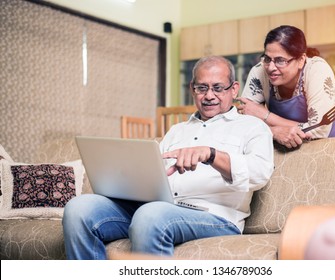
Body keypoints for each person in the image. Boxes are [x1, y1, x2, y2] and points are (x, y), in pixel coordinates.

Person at [62, 55, 274, 259]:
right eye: (202, 88)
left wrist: (211, 154)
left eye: (218, 88)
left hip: (216, 215)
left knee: (151, 215)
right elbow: (157, 175)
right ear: (192, 89)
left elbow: (260, 173)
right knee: (79, 209)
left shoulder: (252, 127)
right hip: (160, 207)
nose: (209, 95)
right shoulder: (176, 130)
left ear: (234, 89)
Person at [236, 25, 335, 200]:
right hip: (291, 144)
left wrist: (265, 117)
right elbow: (243, 124)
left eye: (280, 60)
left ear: (301, 60)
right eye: (267, 58)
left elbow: (319, 129)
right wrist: (273, 131)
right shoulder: (259, 71)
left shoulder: (316, 69)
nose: (271, 67)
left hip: (334, 136)